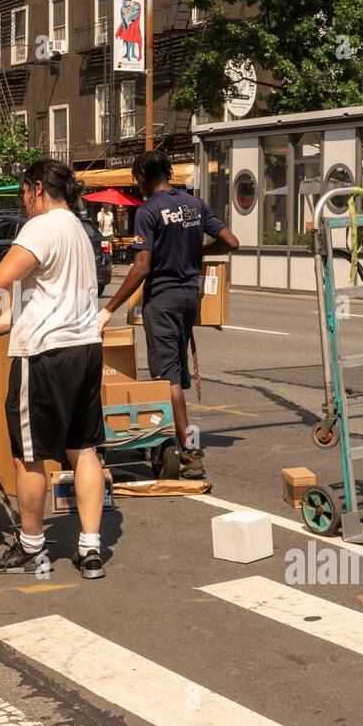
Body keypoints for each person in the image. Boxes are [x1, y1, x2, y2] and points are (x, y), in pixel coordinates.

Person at [0, 159, 108, 579]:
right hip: (85, 348)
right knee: (84, 448)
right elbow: (30, 306)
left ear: (37, 188)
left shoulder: (42, 227)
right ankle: (90, 549)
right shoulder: (78, 229)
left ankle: (32, 546)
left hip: (45, 357)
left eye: (23, 193)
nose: (23, 202)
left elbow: (0, 280)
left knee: (28, 456)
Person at [99, 151, 239, 480]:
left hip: (162, 299)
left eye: (137, 180)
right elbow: (231, 242)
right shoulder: (195, 204)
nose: (138, 186)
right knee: (174, 373)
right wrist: (197, 251)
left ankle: (190, 452)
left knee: (168, 379)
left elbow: (142, 266)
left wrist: (108, 309)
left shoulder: (147, 211)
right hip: (189, 297)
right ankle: (176, 438)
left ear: (144, 176)